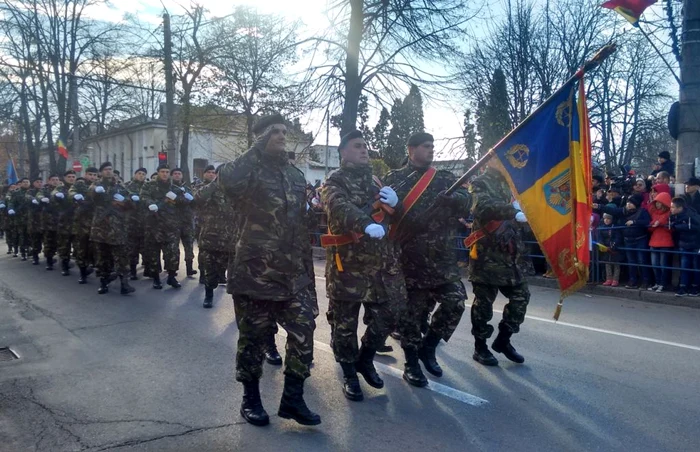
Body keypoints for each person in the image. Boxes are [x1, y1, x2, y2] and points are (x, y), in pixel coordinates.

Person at [217, 114, 320, 427]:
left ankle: (293, 398)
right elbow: (228, 180)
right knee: (253, 340)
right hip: (255, 273)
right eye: (273, 131)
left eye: (283, 131)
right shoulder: (245, 170)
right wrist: (255, 148)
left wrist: (308, 275)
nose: (281, 136)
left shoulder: (296, 175)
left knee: (304, 332)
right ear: (259, 136)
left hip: (292, 274)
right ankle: (250, 397)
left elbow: (299, 225)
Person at [321, 130, 404, 400]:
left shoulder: (376, 181)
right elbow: (338, 207)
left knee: (388, 315)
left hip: (378, 265)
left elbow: (391, 219)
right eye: (357, 146)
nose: (364, 150)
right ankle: (348, 373)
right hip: (347, 265)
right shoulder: (334, 181)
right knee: (344, 324)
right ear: (342, 152)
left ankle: (365, 358)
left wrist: (397, 205)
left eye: (366, 145)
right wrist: (365, 223)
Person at [383, 132, 471, 387]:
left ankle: (429, 347)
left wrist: (454, 198)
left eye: (433, 146)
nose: (431, 150)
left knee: (455, 302)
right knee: (412, 316)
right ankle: (411, 363)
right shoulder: (396, 179)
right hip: (410, 259)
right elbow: (387, 214)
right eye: (425, 146)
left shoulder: (444, 178)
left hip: (442, 259)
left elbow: (467, 201)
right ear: (411, 149)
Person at [468, 167, 530, 366]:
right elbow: (482, 207)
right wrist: (513, 210)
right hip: (487, 256)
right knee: (484, 305)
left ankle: (504, 340)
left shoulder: (515, 183)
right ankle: (480, 346)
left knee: (521, 297)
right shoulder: (480, 182)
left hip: (511, 256)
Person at [88, 162, 135, 295]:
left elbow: (131, 200)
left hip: (118, 228)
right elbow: (90, 195)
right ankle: (104, 283)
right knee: (102, 257)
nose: (109, 171)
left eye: (110, 169)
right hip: (101, 228)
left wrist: (124, 200)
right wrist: (96, 192)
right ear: (101, 172)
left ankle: (124, 284)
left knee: (121, 257)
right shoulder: (97, 185)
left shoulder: (119, 186)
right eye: (106, 170)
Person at [193, 165, 234, 309]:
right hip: (211, 237)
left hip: (230, 239)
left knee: (228, 272)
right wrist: (215, 183)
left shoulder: (235, 190)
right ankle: (208, 295)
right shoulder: (210, 189)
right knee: (210, 270)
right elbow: (198, 198)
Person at [141, 165, 183, 290]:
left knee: (173, 253)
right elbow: (144, 197)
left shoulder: (174, 188)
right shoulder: (149, 186)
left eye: (167, 172)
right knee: (153, 253)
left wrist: (177, 198)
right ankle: (156, 278)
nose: (165, 174)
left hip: (171, 226)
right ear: (158, 173)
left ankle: (171, 276)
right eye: (162, 172)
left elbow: (185, 203)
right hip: (153, 225)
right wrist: (151, 204)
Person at [600, 194, 651, 289]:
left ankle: (646, 281)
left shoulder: (642, 212)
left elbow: (647, 222)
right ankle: (633, 280)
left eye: (631, 203)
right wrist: (599, 206)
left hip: (640, 239)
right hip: (628, 240)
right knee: (631, 261)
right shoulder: (623, 211)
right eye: (627, 202)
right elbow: (613, 211)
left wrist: (634, 222)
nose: (628, 204)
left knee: (642, 261)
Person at [69, 168, 98, 284]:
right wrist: (75, 196)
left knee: (96, 248)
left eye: (95, 175)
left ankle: (97, 268)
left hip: (97, 222)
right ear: (85, 175)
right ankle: (82, 272)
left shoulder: (99, 185)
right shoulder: (80, 184)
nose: (92, 177)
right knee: (82, 248)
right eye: (90, 174)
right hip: (82, 222)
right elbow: (71, 191)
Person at [670, 197, 700, 297]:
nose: (671, 209)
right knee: (684, 267)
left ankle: (695, 287)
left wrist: (678, 227)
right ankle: (683, 286)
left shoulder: (691, 215)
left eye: (673, 207)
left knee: (695, 267)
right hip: (683, 244)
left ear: (680, 208)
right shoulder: (675, 216)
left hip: (695, 244)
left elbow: (695, 227)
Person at [170, 168, 197, 277]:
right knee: (174, 247)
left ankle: (189, 268)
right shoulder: (169, 188)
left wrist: (186, 200)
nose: (177, 175)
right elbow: (175, 201)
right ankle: (173, 269)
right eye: (175, 174)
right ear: (172, 176)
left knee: (189, 246)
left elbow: (193, 202)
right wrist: (184, 200)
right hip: (174, 221)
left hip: (187, 221)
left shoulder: (186, 188)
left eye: (179, 174)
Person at [124, 168, 148, 280]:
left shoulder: (148, 186)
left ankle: (148, 269)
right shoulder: (128, 186)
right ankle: (132, 270)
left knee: (146, 247)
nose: (141, 176)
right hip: (132, 221)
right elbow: (122, 199)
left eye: (143, 174)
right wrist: (130, 199)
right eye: (139, 173)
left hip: (145, 222)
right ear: (135, 174)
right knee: (132, 248)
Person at [647, 192, 673, 293]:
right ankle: (657, 282)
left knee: (663, 265)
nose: (657, 204)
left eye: (659, 202)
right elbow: (649, 228)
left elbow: (672, 229)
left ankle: (663, 284)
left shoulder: (669, 214)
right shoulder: (654, 213)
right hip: (654, 241)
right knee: (654, 264)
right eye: (656, 202)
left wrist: (661, 223)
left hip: (666, 242)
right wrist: (653, 224)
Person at [53, 170, 77, 275]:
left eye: (73, 176)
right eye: (69, 177)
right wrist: (57, 195)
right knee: (65, 245)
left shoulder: (78, 188)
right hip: (65, 222)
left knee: (79, 245)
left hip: (78, 222)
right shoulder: (60, 188)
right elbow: (53, 193)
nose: (71, 178)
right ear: (64, 178)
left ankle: (83, 267)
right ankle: (65, 265)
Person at [37, 174, 60, 270]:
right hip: (48, 221)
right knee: (48, 242)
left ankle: (63, 261)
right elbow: (39, 195)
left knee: (60, 242)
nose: (55, 181)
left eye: (57, 179)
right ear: (49, 181)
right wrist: (41, 198)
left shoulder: (62, 189)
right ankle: (49, 261)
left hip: (60, 221)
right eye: (53, 179)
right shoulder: (45, 190)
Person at [6, 178, 30, 259]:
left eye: (27, 182)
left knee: (31, 236)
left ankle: (30, 250)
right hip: (20, 219)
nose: (26, 183)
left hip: (32, 219)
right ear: (21, 184)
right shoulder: (16, 193)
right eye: (24, 182)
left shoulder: (32, 192)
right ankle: (23, 253)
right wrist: (10, 209)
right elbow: (11, 202)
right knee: (22, 235)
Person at [599, 213, 623, 287]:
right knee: (607, 263)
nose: (606, 220)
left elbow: (618, 237)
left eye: (608, 219)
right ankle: (608, 278)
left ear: (611, 220)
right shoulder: (601, 227)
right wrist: (602, 244)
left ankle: (615, 279)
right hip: (605, 247)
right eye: (605, 218)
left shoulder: (615, 227)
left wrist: (614, 244)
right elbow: (600, 237)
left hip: (614, 248)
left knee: (616, 264)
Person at [26, 178, 44, 265]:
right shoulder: (30, 192)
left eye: (41, 182)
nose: (39, 183)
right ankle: (35, 257)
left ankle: (49, 257)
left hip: (45, 221)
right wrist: (32, 199)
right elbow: (27, 197)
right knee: (36, 240)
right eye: (37, 182)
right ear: (33, 183)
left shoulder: (45, 191)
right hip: (34, 221)